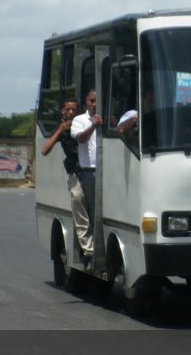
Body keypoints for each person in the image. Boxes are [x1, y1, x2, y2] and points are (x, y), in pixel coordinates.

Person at [41, 98, 94, 266]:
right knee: (78, 199)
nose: (71, 113)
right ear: (63, 111)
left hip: (91, 170)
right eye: (68, 110)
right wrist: (60, 130)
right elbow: (44, 150)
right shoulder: (63, 128)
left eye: (74, 110)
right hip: (75, 173)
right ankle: (88, 250)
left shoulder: (83, 123)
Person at [71, 89, 103, 268]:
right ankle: (90, 252)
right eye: (92, 101)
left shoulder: (105, 118)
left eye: (98, 101)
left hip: (106, 171)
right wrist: (92, 125)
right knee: (91, 213)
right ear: (86, 103)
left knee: (102, 212)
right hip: (88, 172)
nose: (95, 104)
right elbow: (81, 139)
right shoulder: (79, 120)